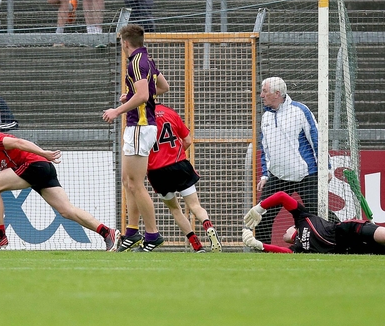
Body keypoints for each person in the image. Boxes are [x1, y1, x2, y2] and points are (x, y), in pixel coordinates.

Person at [0, 121, 117, 251]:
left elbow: (19, 142)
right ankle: (107, 232)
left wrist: (43, 153)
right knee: (66, 210)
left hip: (34, 165)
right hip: (42, 168)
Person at [103, 24, 165, 251]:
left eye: (121, 42)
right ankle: (132, 232)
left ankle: (152, 235)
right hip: (138, 126)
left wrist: (117, 110)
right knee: (128, 181)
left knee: (136, 184)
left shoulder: (136, 63)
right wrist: (131, 96)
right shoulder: (147, 59)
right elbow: (163, 87)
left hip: (140, 126)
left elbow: (144, 94)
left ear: (125, 42)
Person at [145, 103, 221, 252]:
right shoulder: (170, 113)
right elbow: (187, 140)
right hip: (179, 165)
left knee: (175, 209)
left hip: (157, 171)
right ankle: (208, 226)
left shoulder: (142, 117)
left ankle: (196, 245)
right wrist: (176, 154)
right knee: (195, 206)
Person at [256, 76, 319, 245]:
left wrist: (325, 168)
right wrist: (265, 175)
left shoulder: (300, 110)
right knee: (262, 216)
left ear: (277, 93)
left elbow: (316, 138)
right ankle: (262, 251)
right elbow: (265, 148)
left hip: (306, 176)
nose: (261, 95)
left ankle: (346, 238)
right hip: (278, 177)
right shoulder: (266, 117)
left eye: (265, 91)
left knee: (319, 215)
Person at [243, 191, 385, 254]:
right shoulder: (298, 248)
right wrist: (259, 245)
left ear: (294, 227)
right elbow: (284, 252)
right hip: (351, 249)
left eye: (286, 230)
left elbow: (281, 196)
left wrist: (260, 208)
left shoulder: (303, 218)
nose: (283, 233)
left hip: (350, 230)